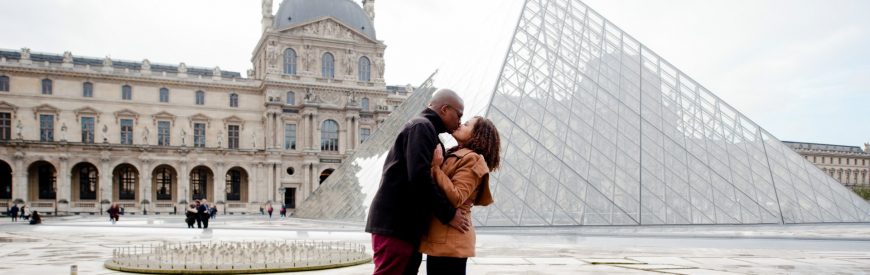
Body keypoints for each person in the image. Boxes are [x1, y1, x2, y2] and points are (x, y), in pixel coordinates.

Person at [365, 89, 470, 275]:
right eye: (459, 114)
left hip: (402, 225)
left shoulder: (426, 129)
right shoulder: (421, 127)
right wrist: (449, 214)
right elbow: (420, 178)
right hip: (396, 225)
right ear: (445, 109)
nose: (460, 120)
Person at [420, 116, 501, 275]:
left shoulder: (472, 159)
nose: (460, 125)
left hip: (451, 240)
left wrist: (435, 168)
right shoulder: (456, 153)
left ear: (477, 134)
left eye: (466, 125)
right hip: (444, 237)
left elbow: (457, 196)